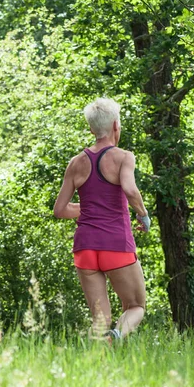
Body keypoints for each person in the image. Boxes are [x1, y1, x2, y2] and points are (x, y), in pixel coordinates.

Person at [53, 98, 151, 340]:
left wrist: (88, 209)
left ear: (91, 129)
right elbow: (129, 188)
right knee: (136, 306)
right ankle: (117, 336)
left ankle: (101, 363)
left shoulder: (76, 163)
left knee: (100, 321)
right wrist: (143, 213)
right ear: (116, 125)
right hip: (115, 244)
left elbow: (60, 210)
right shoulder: (123, 157)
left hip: (85, 248)